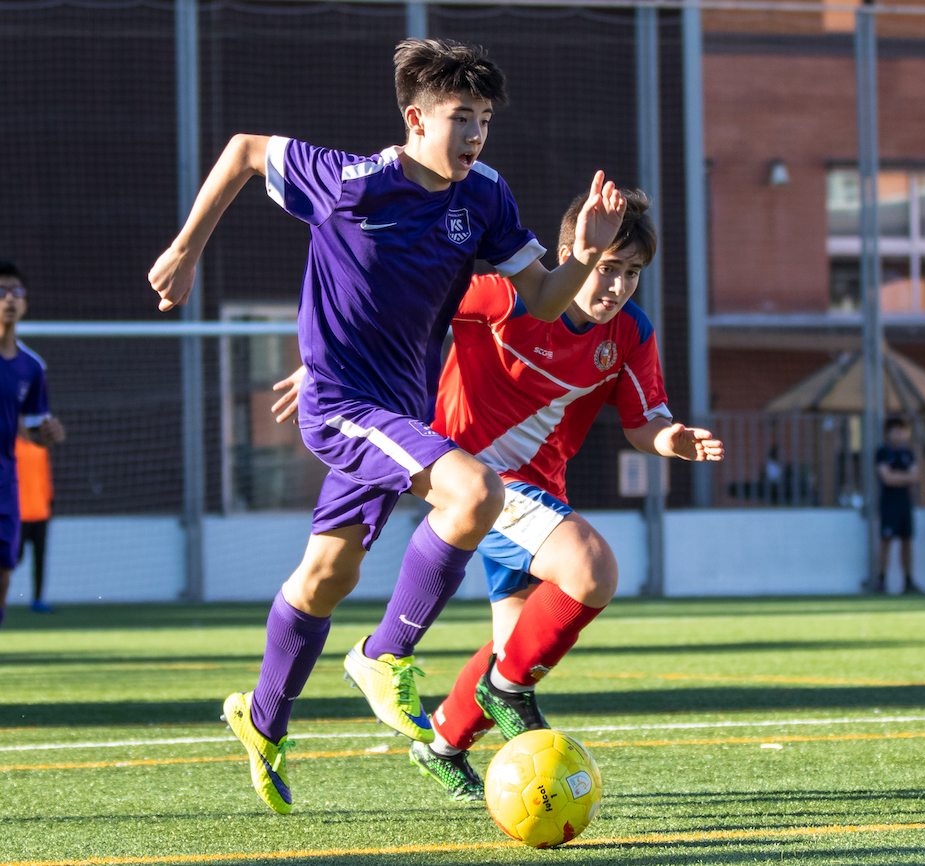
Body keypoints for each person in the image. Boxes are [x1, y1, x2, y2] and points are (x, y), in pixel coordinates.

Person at [148, 38, 625, 815]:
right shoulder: (347, 181)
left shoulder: (485, 198)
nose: (474, 134)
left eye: (484, 121)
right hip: (343, 407)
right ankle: (383, 657)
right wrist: (185, 249)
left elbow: (543, 299)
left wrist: (585, 255)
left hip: (396, 415)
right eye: (459, 118)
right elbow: (241, 151)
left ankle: (261, 720)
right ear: (415, 119)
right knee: (473, 492)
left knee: (325, 576)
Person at [276, 190, 723, 800]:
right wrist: (328, 363)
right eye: (607, 268)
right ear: (571, 254)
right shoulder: (504, 295)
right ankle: (501, 689)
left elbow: (644, 423)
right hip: (472, 480)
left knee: (519, 642)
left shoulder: (630, 332)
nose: (617, 286)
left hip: (538, 492)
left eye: (631, 274)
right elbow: (404, 311)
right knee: (591, 572)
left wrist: (673, 439)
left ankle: (443, 743)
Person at [0, 261, 65, 628]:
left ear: (24, 304)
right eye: (1, 292)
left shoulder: (31, 367)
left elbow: (32, 430)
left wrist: (48, 436)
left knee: (4, 573)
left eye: (16, 292)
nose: (9, 299)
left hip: (6, 482)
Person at [873, 416, 920, 594]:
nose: (898, 434)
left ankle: (908, 581)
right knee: (886, 541)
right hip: (889, 503)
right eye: (894, 431)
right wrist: (903, 477)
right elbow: (887, 478)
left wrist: (897, 477)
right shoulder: (883, 452)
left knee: (907, 541)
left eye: (901, 431)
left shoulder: (908, 453)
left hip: (905, 503)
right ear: (888, 433)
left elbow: (916, 476)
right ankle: (881, 580)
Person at [16, 427, 54, 612]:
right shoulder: (12, 449)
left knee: (39, 560)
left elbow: (46, 481)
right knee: (15, 557)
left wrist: (49, 505)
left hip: (40, 514)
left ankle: (38, 600)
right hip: (19, 515)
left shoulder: (41, 450)